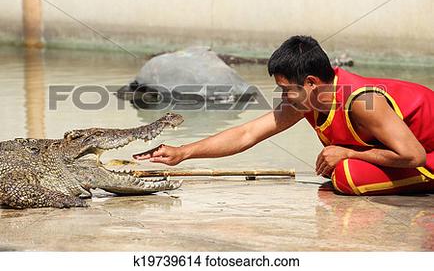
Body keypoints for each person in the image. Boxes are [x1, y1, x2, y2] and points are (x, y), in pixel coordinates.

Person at [134, 35, 434, 195]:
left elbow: (414, 156)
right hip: (413, 153)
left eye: (285, 88)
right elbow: (247, 133)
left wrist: (347, 154)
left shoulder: (362, 101)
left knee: (347, 178)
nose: (282, 96)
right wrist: (183, 152)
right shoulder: (306, 100)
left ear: (312, 83)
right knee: (338, 172)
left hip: (426, 155)